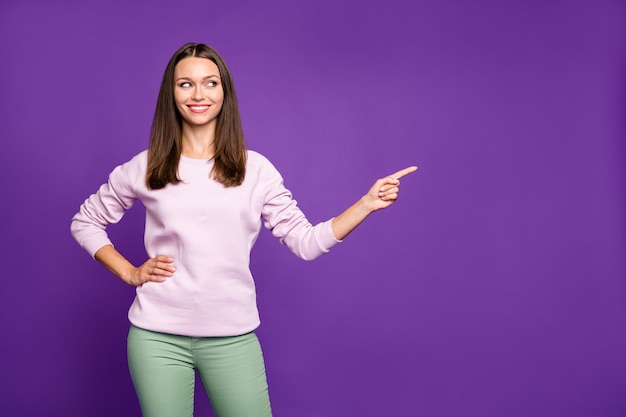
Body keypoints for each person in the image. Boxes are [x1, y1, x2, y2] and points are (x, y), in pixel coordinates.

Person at [71, 42, 417, 417]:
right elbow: (85, 221)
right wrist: (129, 271)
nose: (199, 94)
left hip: (232, 338)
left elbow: (306, 243)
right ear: (171, 94)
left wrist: (366, 204)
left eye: (210, 83)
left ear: (224, 92)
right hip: (156, 338)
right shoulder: (145, 166)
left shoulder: (257, 171)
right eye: (185, 84)